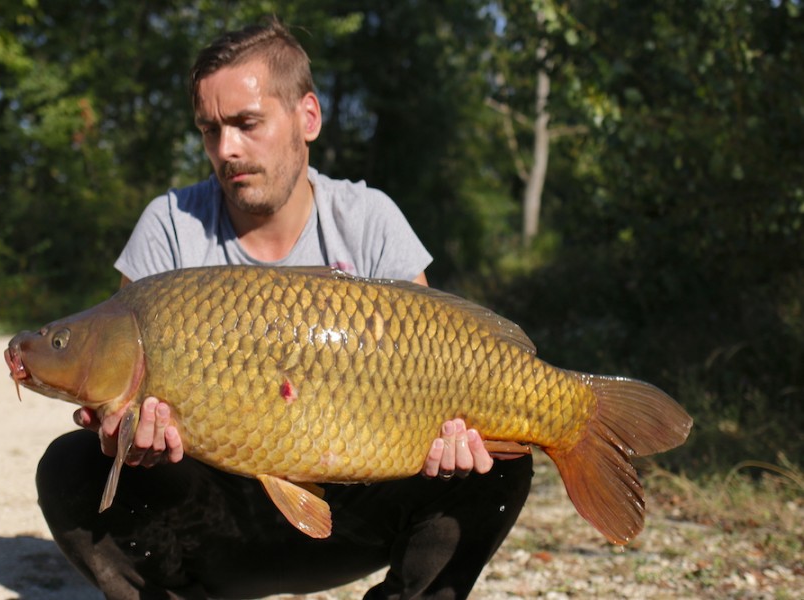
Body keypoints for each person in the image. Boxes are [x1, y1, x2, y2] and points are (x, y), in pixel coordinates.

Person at [36, 18, 533, 599]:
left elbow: (435, 357)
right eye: (209, 129)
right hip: (212, 523)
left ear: (308, 117)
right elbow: (114, 371)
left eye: (247, 123)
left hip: (349, 514)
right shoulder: (169, 225)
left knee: (498, 465)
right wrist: (127, 440)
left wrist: (451, 440)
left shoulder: (369, 219)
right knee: (71, 468)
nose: (227, 149)